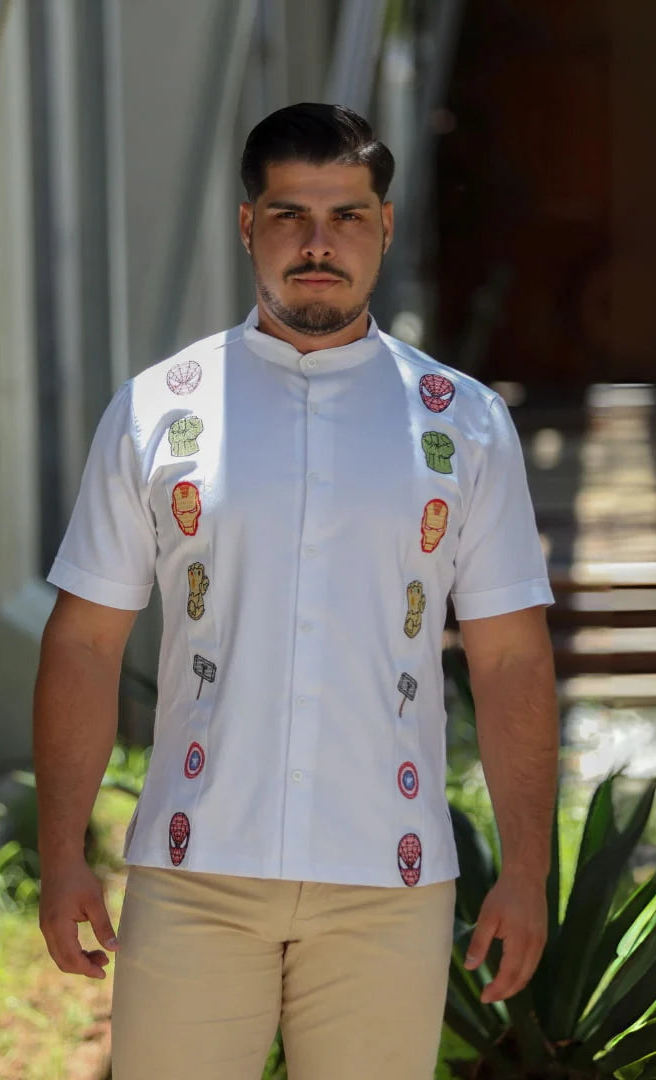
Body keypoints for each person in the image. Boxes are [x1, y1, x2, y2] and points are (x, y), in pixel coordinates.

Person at [33, 102, 559, 1079]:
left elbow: (513, 656)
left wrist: (525, 872)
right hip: (195, 875)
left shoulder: (467, 424)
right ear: (247, 225)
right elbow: (84, 642)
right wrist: (62, 853)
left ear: (385, 225)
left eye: (348, 215)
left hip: (388, 883)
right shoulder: (157, 409)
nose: (319, 244)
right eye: (290, 215)